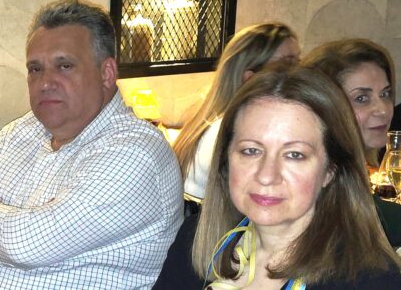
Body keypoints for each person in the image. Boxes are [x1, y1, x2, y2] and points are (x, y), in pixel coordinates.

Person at [0, 0, 183, 288]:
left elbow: (24, 244)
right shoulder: (22, 132)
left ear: (106, 74)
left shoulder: (136, 152)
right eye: (35, 69)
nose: (45, 83)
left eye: (64, 66)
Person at [154, 65, 401, 288]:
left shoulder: (368, 280)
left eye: (294, 155)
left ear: (330, 170)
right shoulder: (194, 241)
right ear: (226, 159)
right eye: (251, 151)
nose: (266, 176)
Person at [174, 22, 299, 202]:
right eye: (288, 64)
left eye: (299, 61)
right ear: (250, 79)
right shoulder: (233, 132)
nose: (302, 72)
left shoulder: (216, 121)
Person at [301, 38, 401, 246]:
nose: (383, 110)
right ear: (324, 104)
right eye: (361, 98)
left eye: (385, 94)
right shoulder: (322, 178)